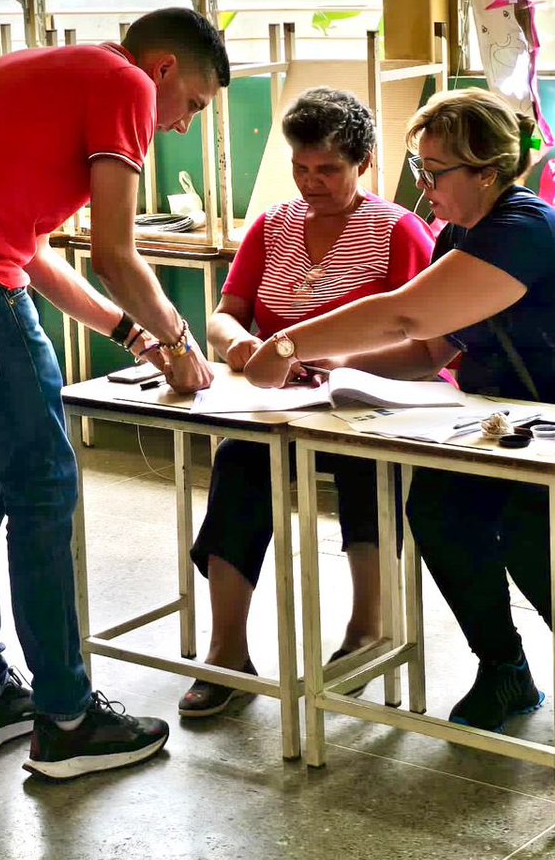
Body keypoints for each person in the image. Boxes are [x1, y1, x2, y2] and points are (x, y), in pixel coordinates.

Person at [244, 87, 555, 776]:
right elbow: (428, 351)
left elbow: (404, 318)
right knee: (437, 505)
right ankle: (505, 668)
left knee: (537, 527)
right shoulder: (459, 238)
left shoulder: (522, 229)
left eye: (434, 172)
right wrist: (322, 362)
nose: (422, 190)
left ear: (485, 171)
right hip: (532, 434)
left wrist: (285, 344)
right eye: (418, 170)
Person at [0, 8, 229, 780]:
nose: (184, 127)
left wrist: (133, 334)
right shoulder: (123, 84)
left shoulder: (59, 71)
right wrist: (184, 347)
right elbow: (117, 255)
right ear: (160, 70)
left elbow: (33, 252)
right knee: (44, 488)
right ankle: (66, 717)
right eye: (191, 104)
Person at [180, 87, 433, 717]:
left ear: (364, 163)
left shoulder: (399, 230)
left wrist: (330, 364)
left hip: (367, 406)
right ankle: (227, 651)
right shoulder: (273, 226)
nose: (311, 182)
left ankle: (367, 629)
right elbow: (225, 316)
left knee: (362, 465)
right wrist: (239, 347)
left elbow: (427, 340)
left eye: (329, 170)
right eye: (301, 168)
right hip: (277, 409)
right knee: (238, 466)